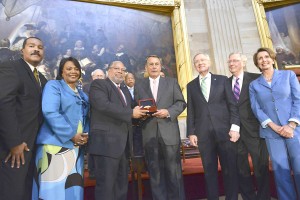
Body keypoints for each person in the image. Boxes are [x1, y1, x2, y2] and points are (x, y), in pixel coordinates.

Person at [32, 57, 89, 199]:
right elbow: (50, 112)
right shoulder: (54, 86)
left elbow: (86, 118)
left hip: (76, 149)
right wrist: (71, 134)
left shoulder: (82, 94)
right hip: (55, 147)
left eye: (76, 68)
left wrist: (86, 135)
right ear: (61, 72)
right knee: (53, 192)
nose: (73, 71)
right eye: (69, 68)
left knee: (73, 191)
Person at [88, 61, 147, 200]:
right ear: (108, 70)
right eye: (116, 68)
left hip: (123, 146)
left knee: (121, 187)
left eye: (123, 69)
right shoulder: (99, 84)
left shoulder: (124, 89)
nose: (120, 71)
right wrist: (131, 113)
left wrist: (146, 111)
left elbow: (132, 109)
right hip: (106, 145)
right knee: (106, 188)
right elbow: (103, 105)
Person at [187, 53, 240, 200]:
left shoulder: (222, 80)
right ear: (194, 66)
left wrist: (235, 127)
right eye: (196, 61)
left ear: (209, 62)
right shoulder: (191, 86)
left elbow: (232, 105)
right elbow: (191, 110)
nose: (200, 63)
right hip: (203, 135)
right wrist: (191, 132)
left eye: (202, 60)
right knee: (209, 172)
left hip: (225, 132)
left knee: (229, 170)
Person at [249, 47, 300, 200]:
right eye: (260, 58)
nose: (264, 60)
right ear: (257, 63)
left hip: (294, 130)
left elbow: (298, 100)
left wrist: (291, 125)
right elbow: (256, 108)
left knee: (299, 168)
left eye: (266, 57)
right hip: (272, 133)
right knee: (281, 171)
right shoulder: (254, 85)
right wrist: (274, 127)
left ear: (272, 59)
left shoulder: (288, 75)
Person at [0, 37, 47, 200]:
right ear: (22, 50)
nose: (36, 49)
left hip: (32, 146)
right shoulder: (11, 68)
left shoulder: (42, 79)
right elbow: (4, 103)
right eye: (32, 46)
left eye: (40, 47)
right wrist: (14, 143)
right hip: (13, 147)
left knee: (26, 191)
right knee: (11, 192)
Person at [135, 55, 186, 200]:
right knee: (155, 174)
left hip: (169, 134)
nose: (154, 67)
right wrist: (141, 113)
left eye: (157, 64)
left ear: (161, 66)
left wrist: (168, 112)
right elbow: (136, 106)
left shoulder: (171, 82)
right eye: (150, 64)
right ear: (146, 67)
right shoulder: (139, 85)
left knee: (174, 173)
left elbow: (181, 103)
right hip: (149, 135)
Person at [225, 52, 270, 200]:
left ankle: (263, 197)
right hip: (235, 132)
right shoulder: (225, 83)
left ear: (243, 63)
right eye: (230, 61)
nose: (232, 64)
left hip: (255, 130)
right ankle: (248, 197)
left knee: (260, 167)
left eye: (235, 61)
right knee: (241, 168)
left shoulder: (256, 78)